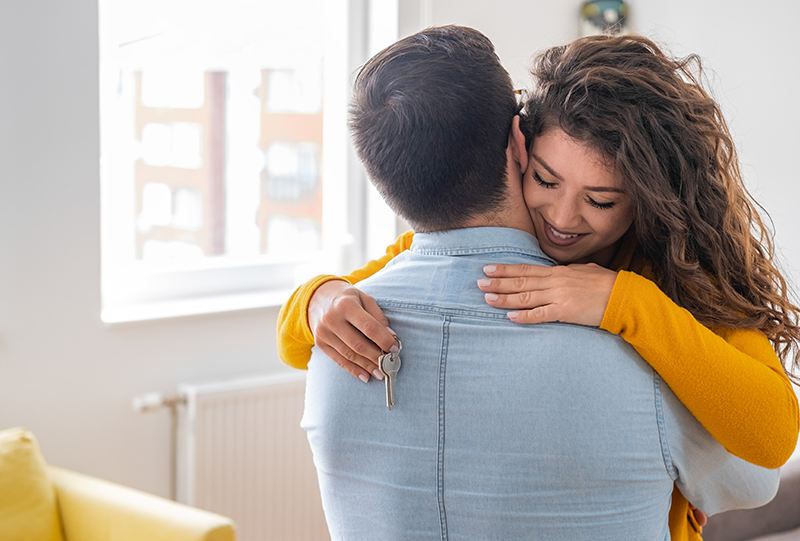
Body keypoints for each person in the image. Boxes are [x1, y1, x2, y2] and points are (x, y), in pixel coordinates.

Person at [281, 31, 800, 539]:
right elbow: (303, 330)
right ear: (519, 150)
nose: (562, 217)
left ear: (649, 200)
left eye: (600, 201)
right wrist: (318, 297)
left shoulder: (675, 274)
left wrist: (628, 303)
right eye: (546, 181)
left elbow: (773, 438)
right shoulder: (450, 244)